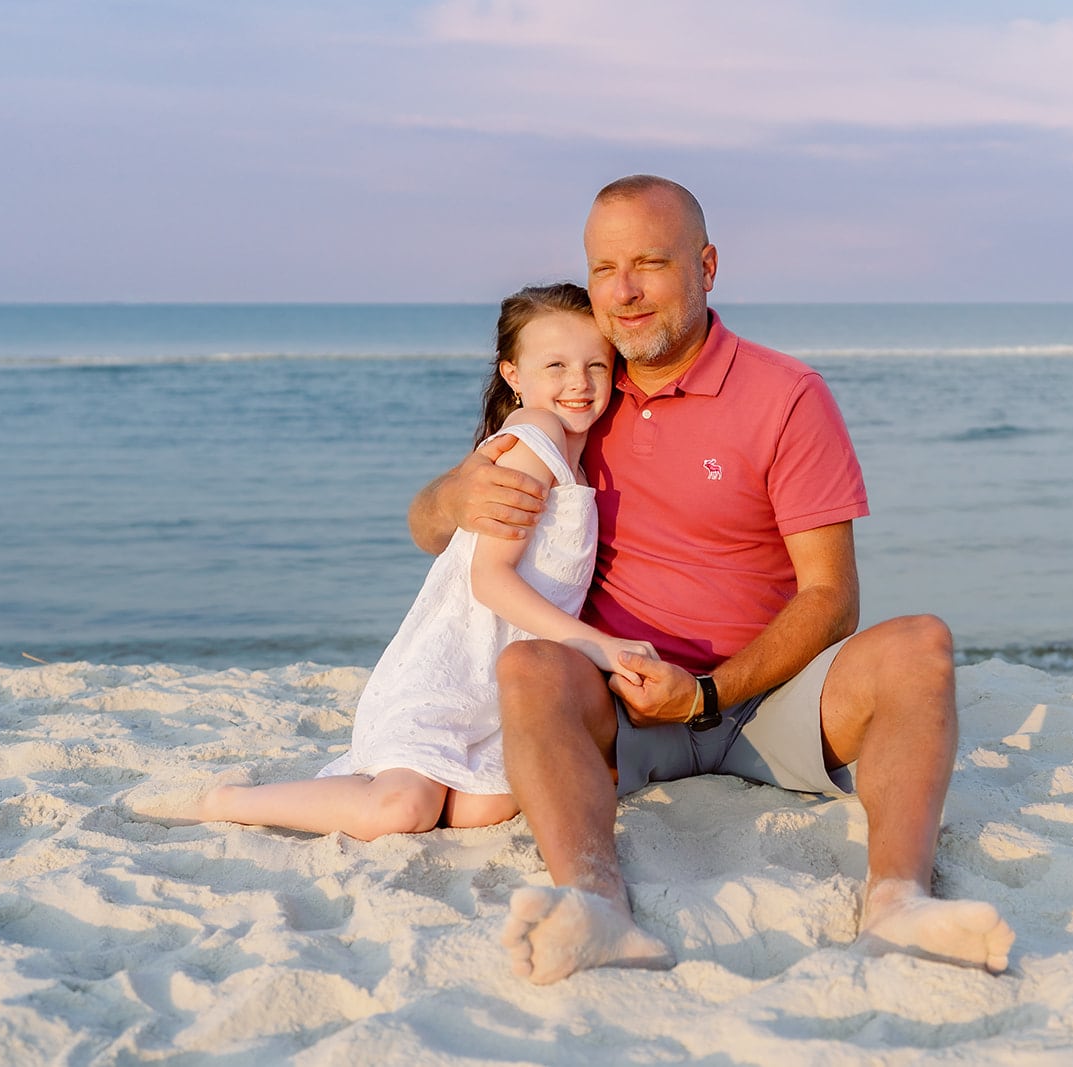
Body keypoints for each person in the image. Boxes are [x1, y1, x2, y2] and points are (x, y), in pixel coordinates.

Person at [410, 175, 1015, 984]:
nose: (623, 293)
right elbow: (429, 530)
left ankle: (899, 900)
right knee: (527, 667)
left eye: (650, 263)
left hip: (772, 700)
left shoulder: (788, 396)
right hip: (625, 699)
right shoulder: (579, 390)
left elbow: (832, 596)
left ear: (707, 266)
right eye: (603, 268)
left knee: (920, 644)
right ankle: (597, 908)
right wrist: (451, 492)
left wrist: (707, 693)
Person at [170, 283, 656, 839]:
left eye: (596, 364)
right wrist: (601, 647)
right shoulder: (538, 434)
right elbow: (489, 579)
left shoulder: (578, 450)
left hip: (502, 683)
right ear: (513, 376)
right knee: (404, 811)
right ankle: (225, 801)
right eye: (556, 364)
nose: (579, 381)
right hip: (452, 669)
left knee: (480, 811)